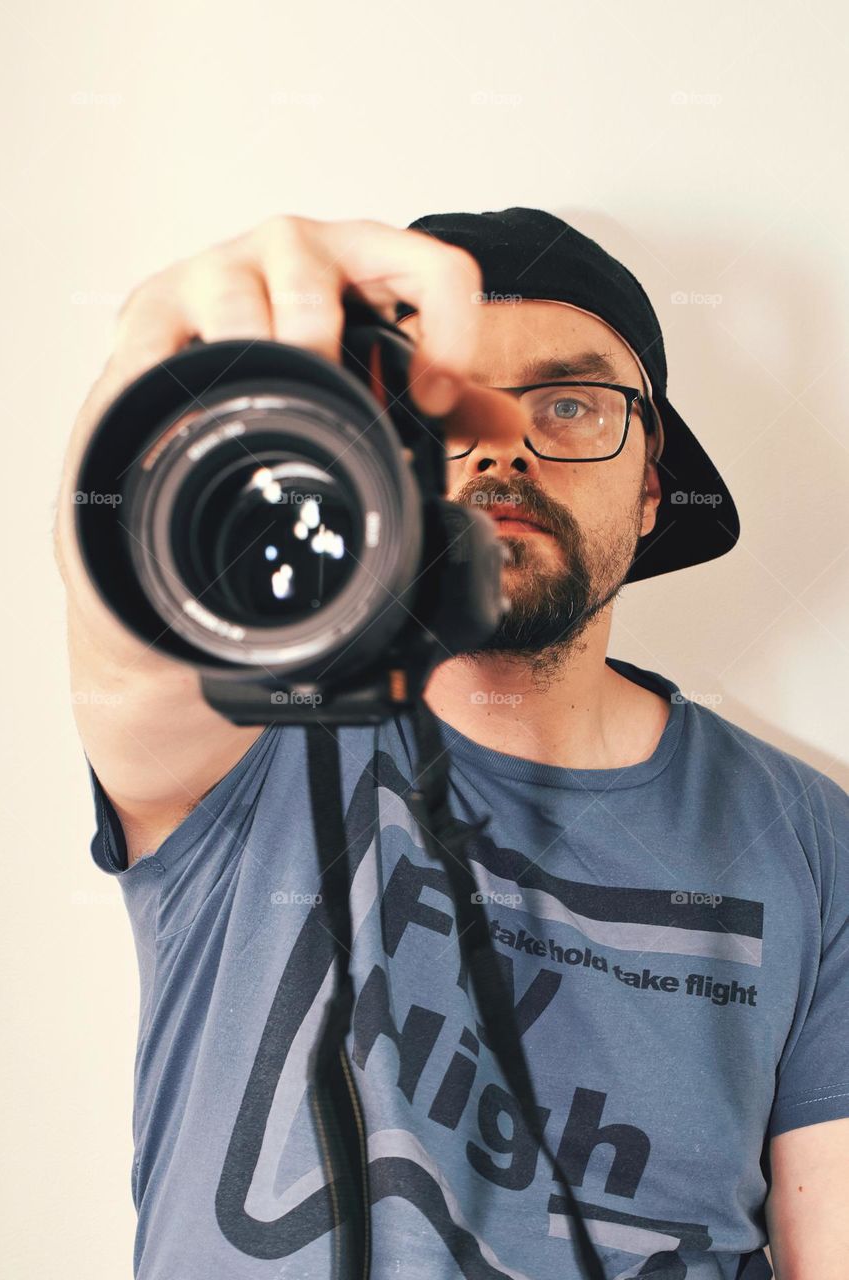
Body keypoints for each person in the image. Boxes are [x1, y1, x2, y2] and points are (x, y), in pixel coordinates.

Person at [54, 207, 849, 1279]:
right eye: (440, 404)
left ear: (653, 485)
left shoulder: (809, 833)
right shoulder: (245, 736)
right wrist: (161, 392)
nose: (502, 444)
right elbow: (131, 624)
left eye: (570, 403)